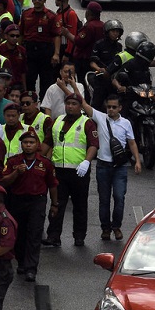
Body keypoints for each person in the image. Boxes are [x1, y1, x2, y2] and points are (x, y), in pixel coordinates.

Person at [79, 91, 141, 241]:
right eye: (109, 107)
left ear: (120, 108)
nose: (111, 109)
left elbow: (132, 142)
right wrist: (73, 85)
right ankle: (105, 228)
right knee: (104, 200)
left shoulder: (126, 123)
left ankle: (116, 226)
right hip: (102, 166)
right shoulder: (100, 118)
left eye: (114, 107)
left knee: (119, 197)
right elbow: (83, 103)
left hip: (120, 167)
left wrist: (137, 161)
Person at [0, 129, 58, 281]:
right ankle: (21, 262)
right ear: (22, 145)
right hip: (17, 200)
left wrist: (55, 204)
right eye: (25, 143)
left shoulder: (45, 163)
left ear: (37, 145)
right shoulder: (13, 161)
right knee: (19, 233)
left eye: (31, 143)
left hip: (37, 201)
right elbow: (4, 182)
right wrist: (16, 173)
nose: (28, 145)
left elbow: (52, 185)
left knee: (34, 233)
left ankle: (31, 268)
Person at [42, 94, 98, 247]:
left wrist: (87, 161)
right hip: (59, 170)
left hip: (79, 171)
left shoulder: (87, 123)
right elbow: (47, 142)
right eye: (68, 103)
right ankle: (53, 236)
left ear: (80, 106)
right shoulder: (57, 121)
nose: (70, 106)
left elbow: (93, 144)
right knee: (57, 204)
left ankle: (79, 236)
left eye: (74, 104)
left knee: (80, 205)